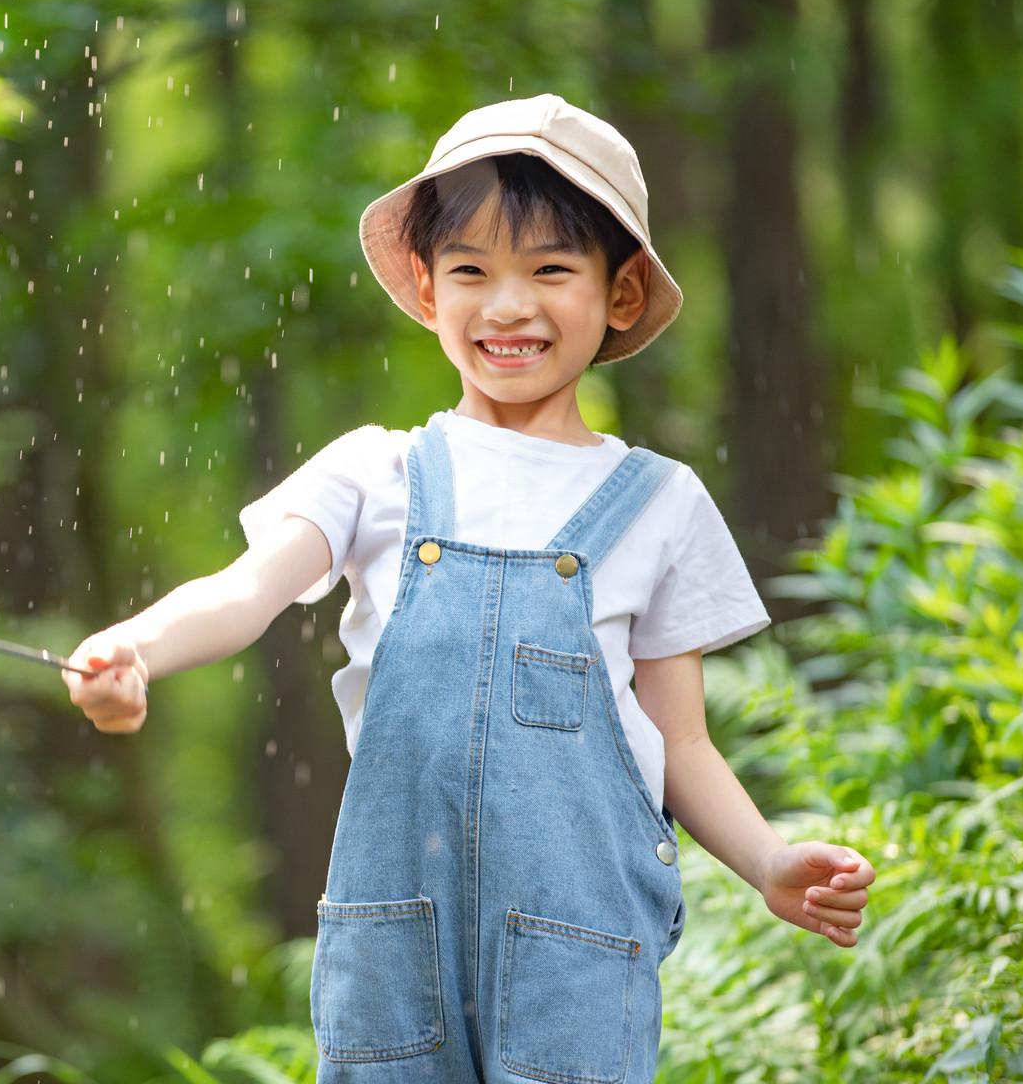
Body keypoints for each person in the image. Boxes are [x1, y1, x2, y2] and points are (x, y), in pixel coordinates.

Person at [62, 94, 877, 1082]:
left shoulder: (661, 504)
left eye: (549, 270)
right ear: (424, 286)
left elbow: (681, 743)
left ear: (619, 294)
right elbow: (244, 592)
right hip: (394, 941)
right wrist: (135, 650)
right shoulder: (376, 474)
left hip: (581, 941)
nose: (507, 306)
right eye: (471, 272)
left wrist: (767, 860)